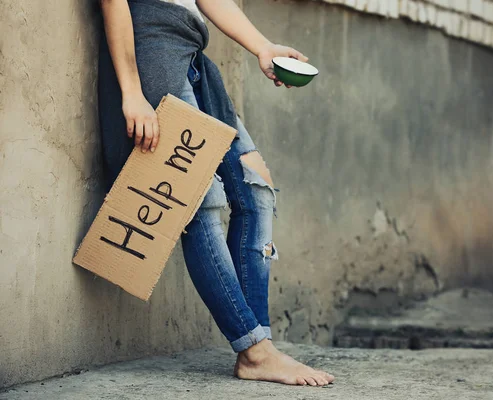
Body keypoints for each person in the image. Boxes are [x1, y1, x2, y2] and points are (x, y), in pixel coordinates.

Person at [98, 0, 334, 387]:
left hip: (191, 54)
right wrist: (131, 91)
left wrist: (262, 46)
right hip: (151, 52)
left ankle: (261, 347)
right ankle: (255, 351)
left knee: (255, 188)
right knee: (198, 200)